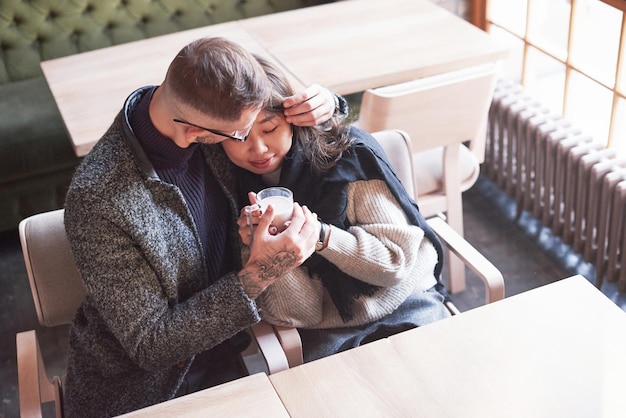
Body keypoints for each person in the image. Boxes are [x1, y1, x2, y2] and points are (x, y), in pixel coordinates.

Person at [62, 36, 346, 417]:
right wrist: (260, 272)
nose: (252, 144)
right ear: (195, 134)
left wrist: (326, 106)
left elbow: (277, 125)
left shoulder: (212, 115)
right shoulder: (100, 199)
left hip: (225, 358)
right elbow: (151, 345)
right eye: (241, 135)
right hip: (140, 391)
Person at [221, 55, 451, 363]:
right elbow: (297, 314)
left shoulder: (345, 158)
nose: (259, 148)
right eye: (241, 136)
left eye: (270, 127)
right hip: (328, 329)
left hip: (407, 299)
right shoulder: (233, 196)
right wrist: (267, 254)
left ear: (291, 118)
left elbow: (395, 265)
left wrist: (321, 235)